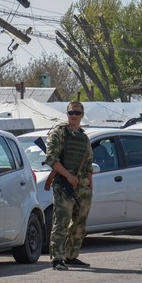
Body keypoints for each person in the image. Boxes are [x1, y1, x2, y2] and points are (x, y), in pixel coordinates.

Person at [45, 101, 93, 271]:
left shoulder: (83, 137)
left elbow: (88, 164)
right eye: (71, 112)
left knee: (80, 223)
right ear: (67, 114)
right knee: (62, 221)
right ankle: (57, 258)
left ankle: (71, 255)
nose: (73, 116)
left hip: (81, 185)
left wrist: (89, 187)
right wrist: (68, 176)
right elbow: (51, 159)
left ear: (82, 114)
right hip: (63, 184)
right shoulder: (59, 133)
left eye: (77, 113)